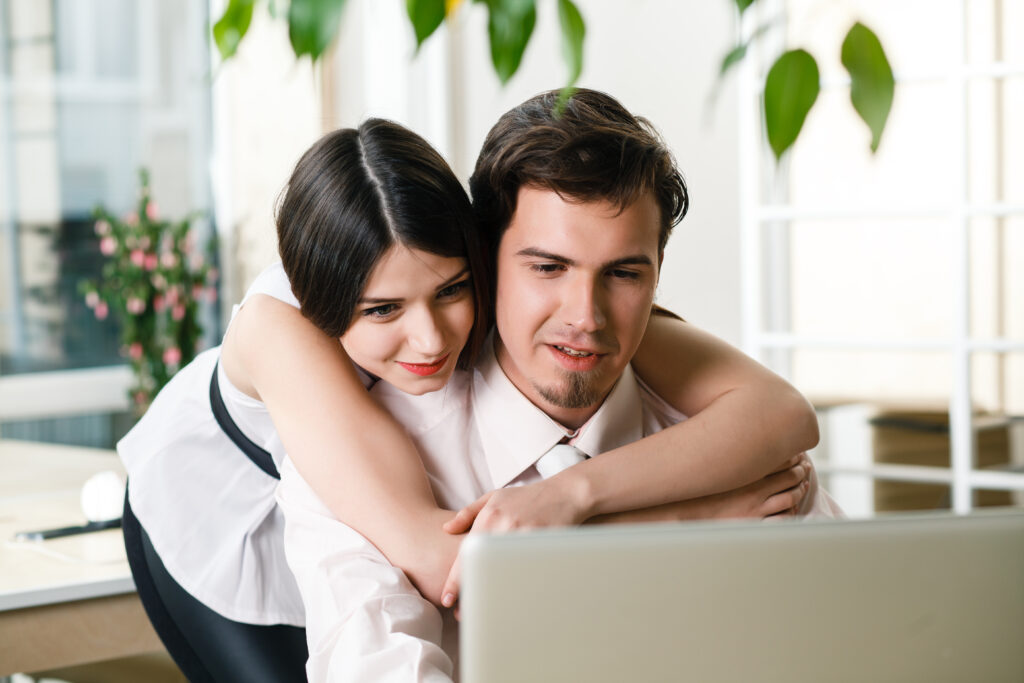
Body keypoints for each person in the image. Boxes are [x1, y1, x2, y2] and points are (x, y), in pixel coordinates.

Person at [121, 112, 820, 683]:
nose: (429, 339)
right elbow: (449, 562)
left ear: (474, 261)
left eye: (452, 292)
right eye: (383, 311)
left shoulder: (550, 302)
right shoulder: (286, 330)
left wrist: (572, 495)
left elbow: (783, 414)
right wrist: (693, 518)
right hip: (215, 509)